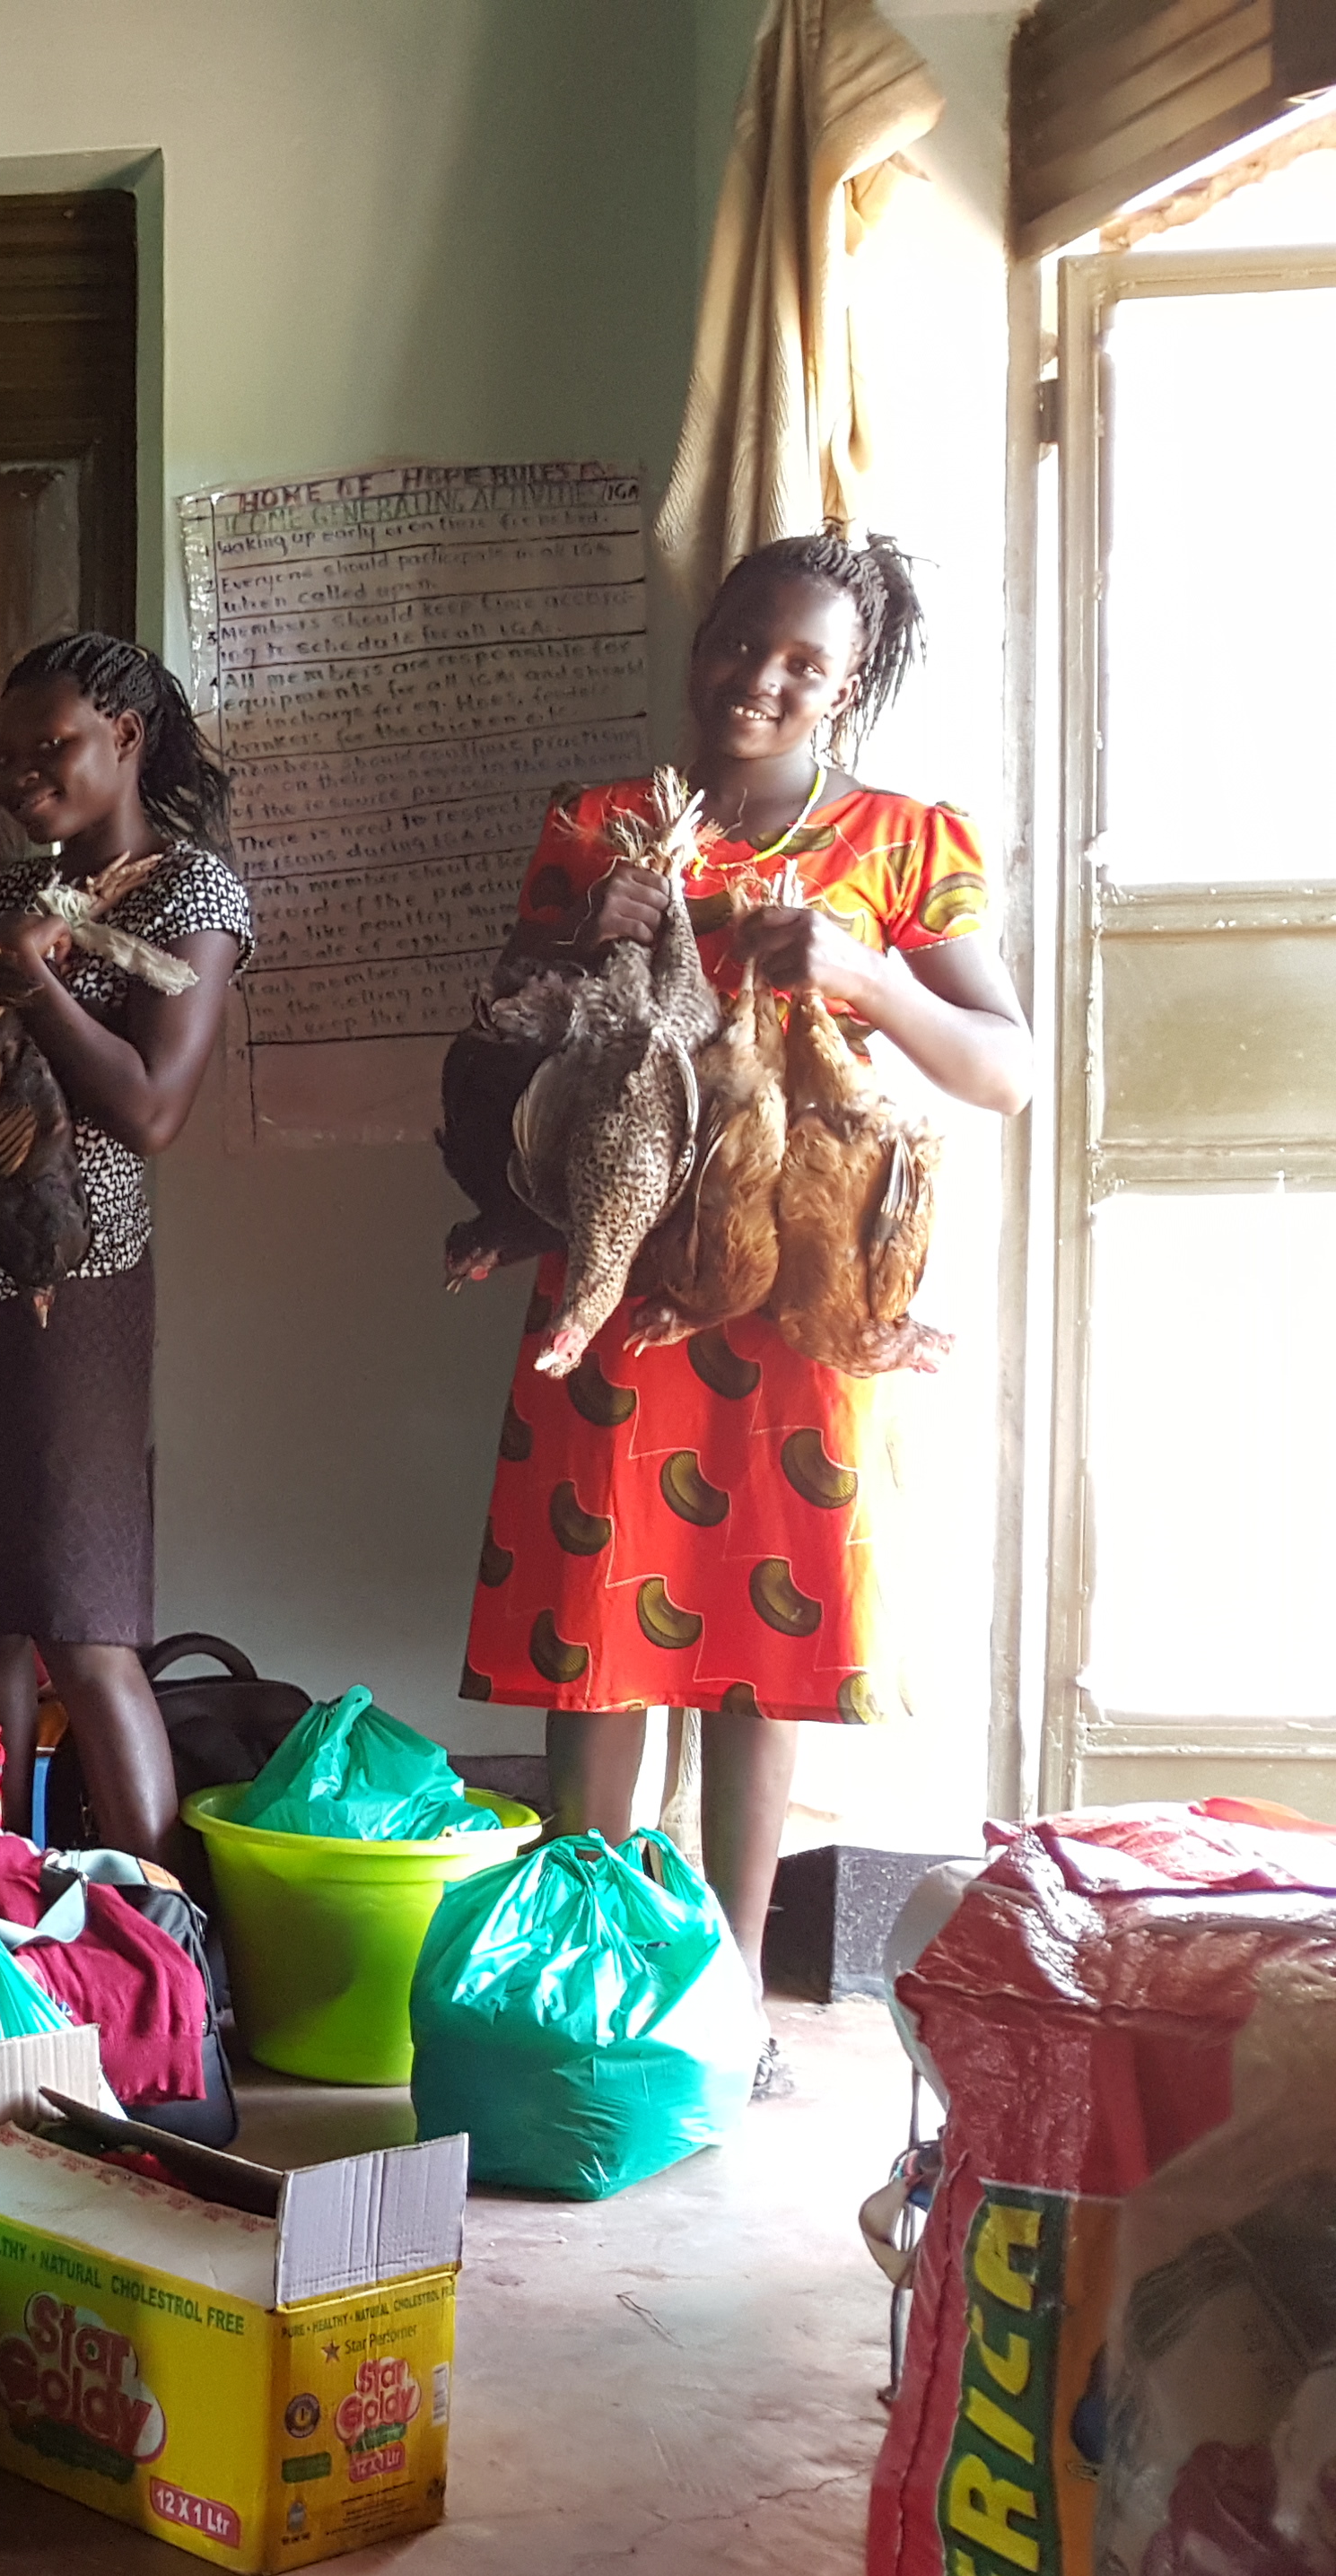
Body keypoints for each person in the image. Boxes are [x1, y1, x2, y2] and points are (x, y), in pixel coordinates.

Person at [459, 530, 1026, 2010]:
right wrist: (584, 940)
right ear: (697, 638)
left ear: (843, 694)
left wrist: (869, 977)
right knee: (599, 1638)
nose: (755, 680)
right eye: (736, 642)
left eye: (801, 665)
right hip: (619, 1275)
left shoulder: (908, 843)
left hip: (799, 1299)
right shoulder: (595, 824)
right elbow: (493, 1054)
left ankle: (719, 1994)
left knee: (753, 1642)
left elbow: (1005, 1070)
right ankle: (584, 1984)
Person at [0, 633, 253, 1868]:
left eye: (52, 749)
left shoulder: (194, 895)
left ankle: (169, 1946)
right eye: (7, 758)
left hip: (72, 1293)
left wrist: (36, 988)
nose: (24, 777)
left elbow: (150, 1109)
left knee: (86, 1626)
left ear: (126, 735)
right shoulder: (16, 895)